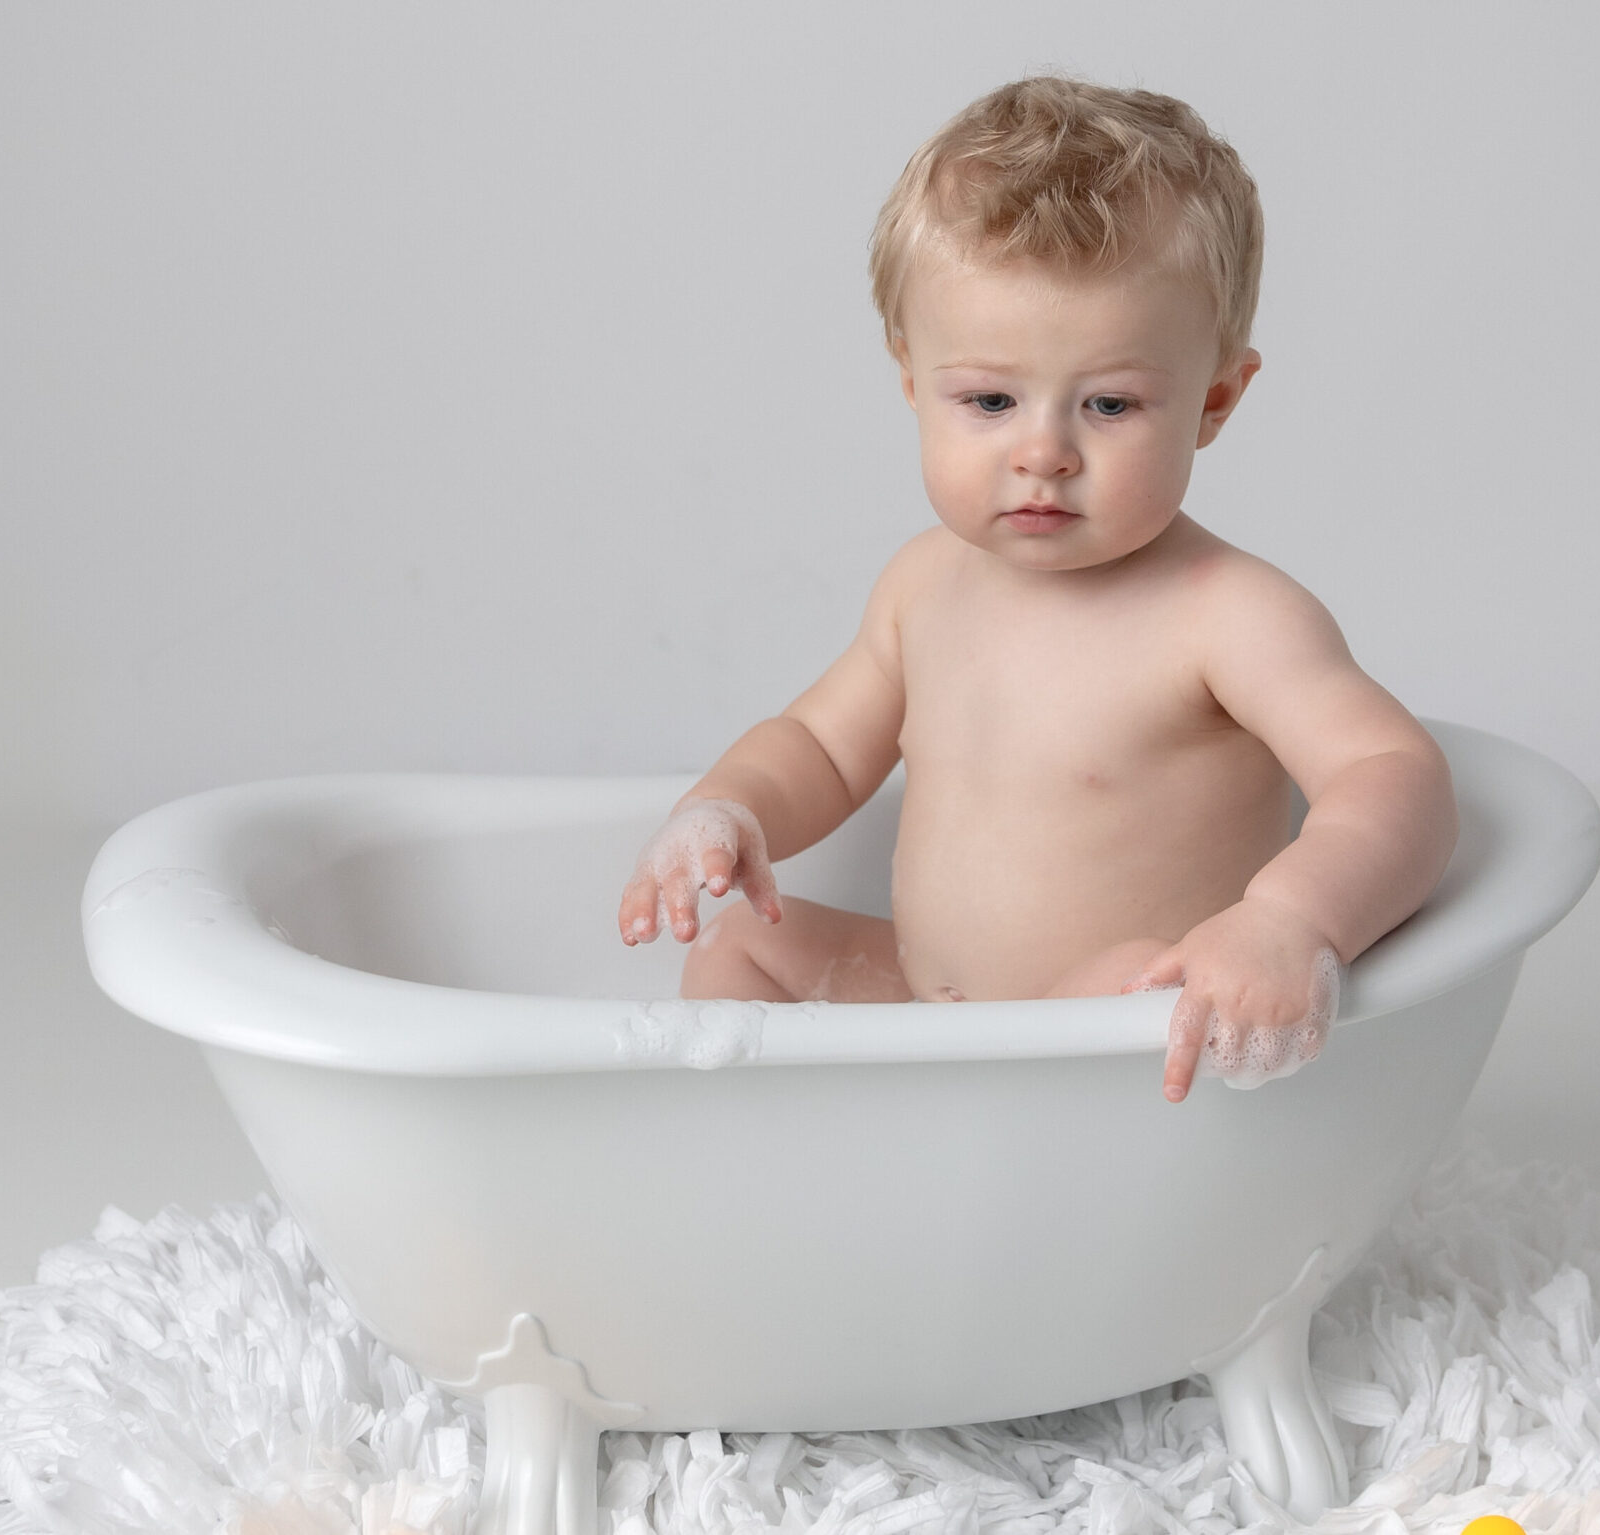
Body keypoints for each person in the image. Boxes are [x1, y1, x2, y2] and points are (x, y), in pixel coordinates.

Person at [616, 76, 1457, 1100]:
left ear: (1214, 400)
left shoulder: (1226, 615)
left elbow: (1390, 771)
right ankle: (750, 1182)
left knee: (1139, 984)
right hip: (938, 1014)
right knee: (741, 945)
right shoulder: (921, 586)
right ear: (911, 381)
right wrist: (728, 809)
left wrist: (1288, 918)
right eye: (988, 399)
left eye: (1107, 403)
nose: (1042, 452)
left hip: (1105, 1029)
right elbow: (820, 747)